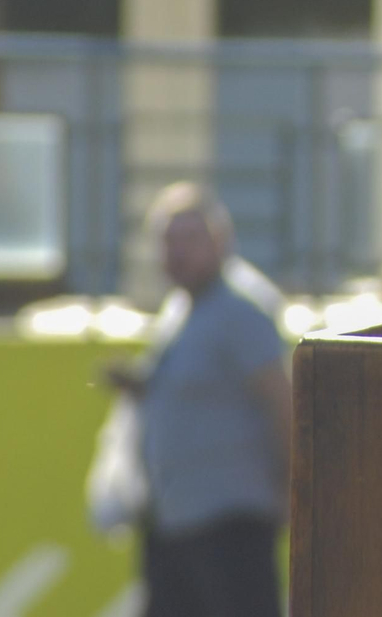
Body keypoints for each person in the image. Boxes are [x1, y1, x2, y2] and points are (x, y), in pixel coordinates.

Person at [104, 182, 290, 617]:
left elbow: (283, 404)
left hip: (230, 528)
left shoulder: (240, 310)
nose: (176, 252)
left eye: (189, 239)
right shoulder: (181, 312)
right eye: (167, 241)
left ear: (221, 242)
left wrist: (292, 491)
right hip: (174, 527)